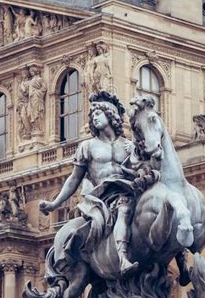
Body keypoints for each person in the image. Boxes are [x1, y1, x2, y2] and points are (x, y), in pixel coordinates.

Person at [40, 91, 139, 276]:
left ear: (110, 114)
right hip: (101, 197)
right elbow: (74, 179)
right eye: (92, 115)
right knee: (123, 210)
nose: (94, 118)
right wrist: (54, 204)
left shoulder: (128, 145)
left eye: (98, 113)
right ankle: (122, 258)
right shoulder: (87, 146)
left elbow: (141, 170)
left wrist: (136, 153)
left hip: (127, 191)